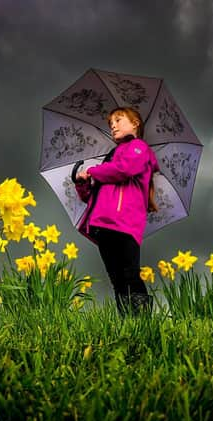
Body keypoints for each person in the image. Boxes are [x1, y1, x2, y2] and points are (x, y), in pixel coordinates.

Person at [75, 107, 160, 316]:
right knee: (116, 279)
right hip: (102, 224)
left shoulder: (139, 148)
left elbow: (125, 170)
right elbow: (92, 197)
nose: (113, 125)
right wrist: (81, 183)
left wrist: (94, 171)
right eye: (110, 122)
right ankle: (127, 322)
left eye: (118, 120)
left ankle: (142, 323)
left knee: (130, 274)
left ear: (135, 123)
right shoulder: (111, 156)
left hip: (125, 223)